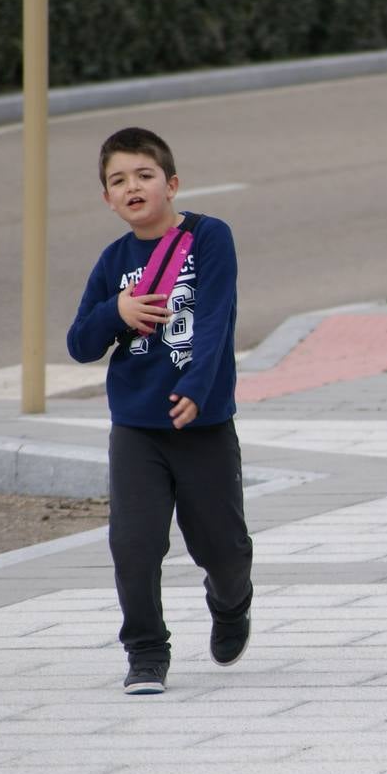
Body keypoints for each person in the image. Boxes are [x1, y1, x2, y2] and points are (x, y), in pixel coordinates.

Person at [68, 127, 254, 695]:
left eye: (144, 175)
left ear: (171, 184)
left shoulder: (209, 238)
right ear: (107, 198)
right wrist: (117, 311)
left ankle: (231, 604)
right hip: (136, 429)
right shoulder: (113, 261)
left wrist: (198, 387)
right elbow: (80, 344)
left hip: (202, 423)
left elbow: (217, 319)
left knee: (223, 549)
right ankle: (146, 652)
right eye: (118, 181)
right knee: (134, 543)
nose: (132, 187)